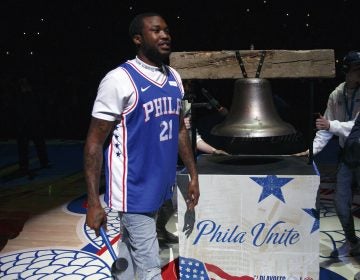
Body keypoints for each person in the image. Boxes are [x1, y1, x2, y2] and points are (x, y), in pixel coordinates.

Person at [84, 12, 200, 280]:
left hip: (162, 184)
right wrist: (93, 202)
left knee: (130, 250)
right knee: (149, 267)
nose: (165, 35)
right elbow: (93, 142)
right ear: (138, 39)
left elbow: (180, 129)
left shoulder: (174, 78)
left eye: (167, 30)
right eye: (156, 31)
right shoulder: (118, 80)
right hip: (133, 190)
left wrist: (193, 174)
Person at [299, 51, 360, 257]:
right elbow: (325, 130)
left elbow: (356, 127)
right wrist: (311, 152)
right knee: (340, 202)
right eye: (356, 69)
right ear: (346, 71)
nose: (359, 73)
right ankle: (353, 241)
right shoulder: (336, 94)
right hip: (347, 157)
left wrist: (330, 125)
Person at [156, 81, 228, 244]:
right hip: (159, 161)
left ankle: (161, 231)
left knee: (173, 200)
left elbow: (192, 138)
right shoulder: (162, 104)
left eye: (189, 85)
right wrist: (176, 127)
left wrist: (214, 150)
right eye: (184, 84)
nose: (187, 89)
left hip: (178, 164)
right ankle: (153, 235)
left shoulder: (186, 106)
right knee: (160, 201)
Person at [13, 74, 50, 178]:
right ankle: (24, 166)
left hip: (34, 123)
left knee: (39, 143)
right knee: (23, 147)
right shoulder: (18, 96)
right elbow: (16, 110)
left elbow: (38, 108)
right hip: (23, 125)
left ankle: (44, 162)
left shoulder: (33, 95)